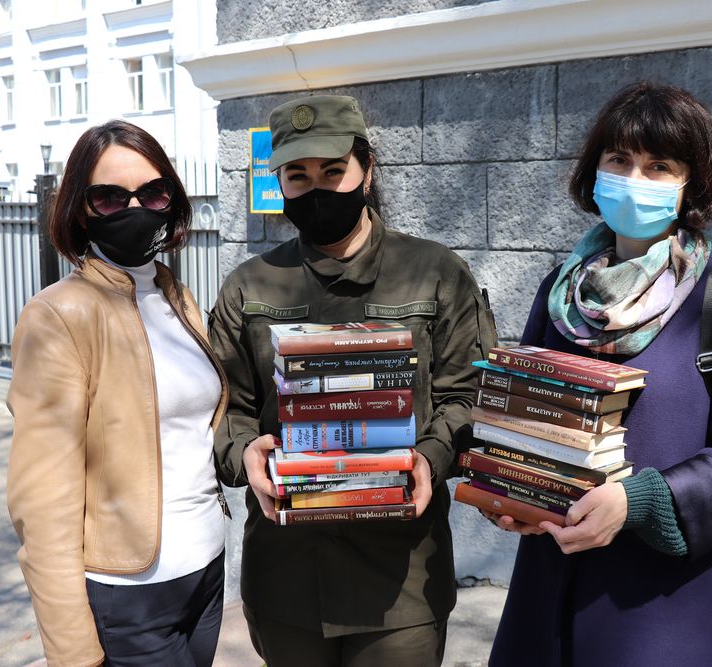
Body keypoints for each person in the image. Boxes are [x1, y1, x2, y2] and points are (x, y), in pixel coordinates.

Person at [487, 82, 712, 666]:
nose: (635, 178)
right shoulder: (561, 293)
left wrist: (639, 502)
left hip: (660, 607)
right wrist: (512, 492)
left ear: (691, 184)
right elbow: (526, 418)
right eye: (619, 160)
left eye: (659, 166)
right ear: (594, 172)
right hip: (547, 594)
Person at [209, 94, 498, 666]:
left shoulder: (435, 273)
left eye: (333, 170)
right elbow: (223, 407)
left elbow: (469, 395)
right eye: (298, 175)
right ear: (279, 183)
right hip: (286, 573)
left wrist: (431, 457)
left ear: (367, 171)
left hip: (402, 577)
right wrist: (243, 454)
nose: (316, 188)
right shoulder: (249, 286)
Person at [6, 120, 229, 666]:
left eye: (153, 192)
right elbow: (42, 501)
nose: (136, 208)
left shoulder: (176, 297)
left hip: (206, 570)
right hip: (130, 594)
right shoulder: (58, 315)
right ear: (80, 210)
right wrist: (73, 649)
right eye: (109, 197)